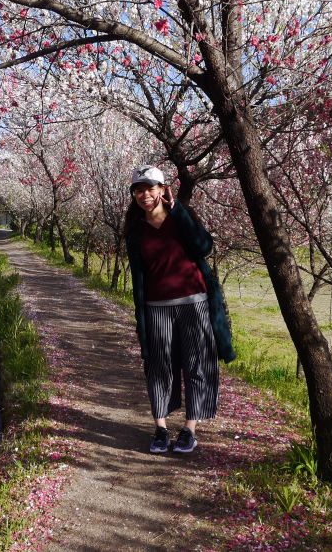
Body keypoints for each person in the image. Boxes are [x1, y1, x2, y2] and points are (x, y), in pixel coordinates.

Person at [124, 165, 236, 454]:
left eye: (150, 188)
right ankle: (160, 429)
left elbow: (204, 247)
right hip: (156, 307)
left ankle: (189, 429)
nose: (144, 194)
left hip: (194, 304)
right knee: (159, 367)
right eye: (138, 189)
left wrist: (178, 212)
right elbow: (140, 274)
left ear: (162, 189)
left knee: (197, 365)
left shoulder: (181, 218)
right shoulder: (135, 229)